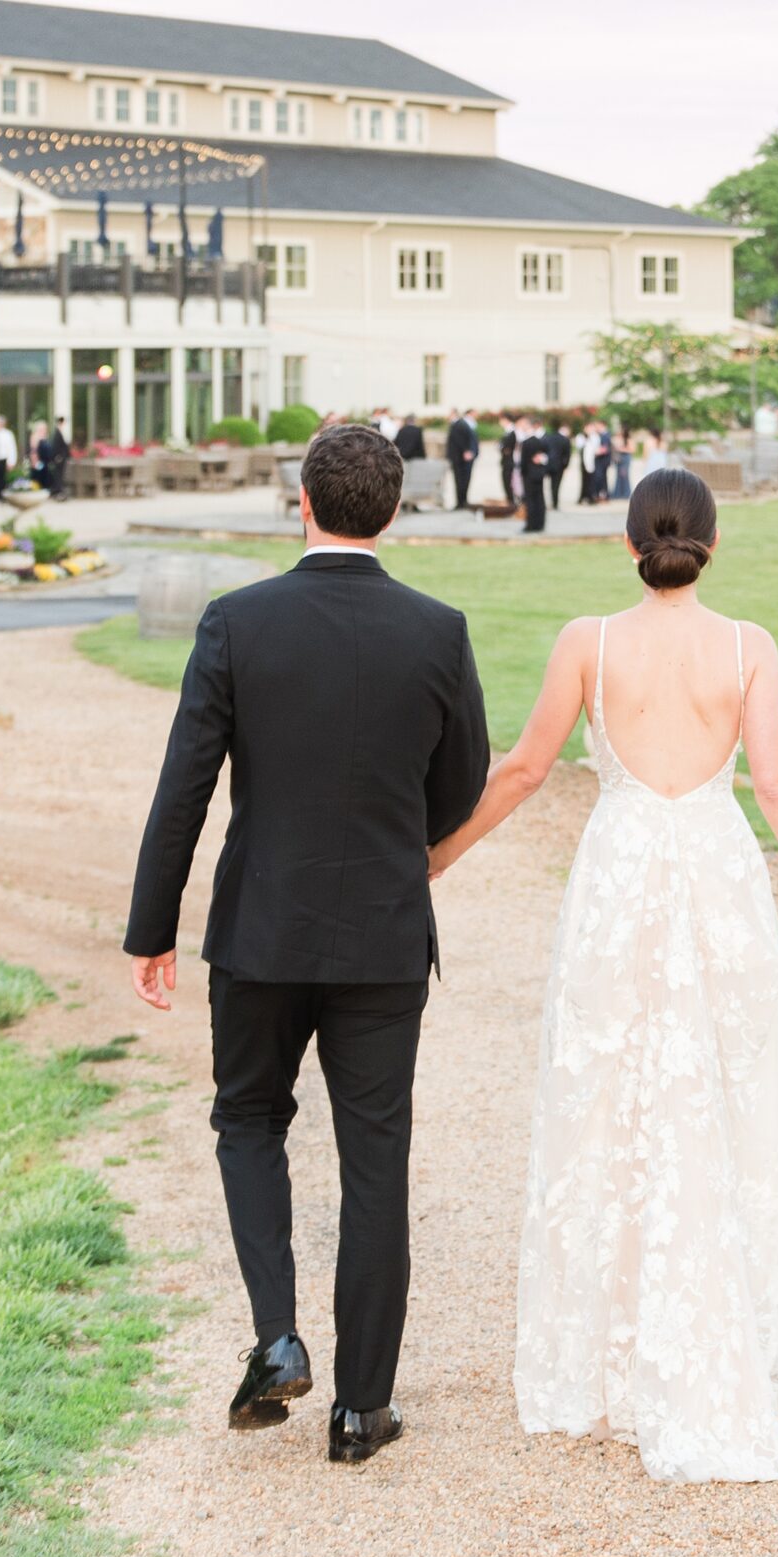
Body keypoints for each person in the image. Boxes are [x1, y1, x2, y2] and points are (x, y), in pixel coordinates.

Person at [429, 468, 778, 1483]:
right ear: (712, 546)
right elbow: (775, 783)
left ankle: (608, 1351)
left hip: (618, 873)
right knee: (728, 1091)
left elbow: (524, 769)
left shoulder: (590, 640)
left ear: (626, 543)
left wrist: (437, 855)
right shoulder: (749, 646)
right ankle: (725, 1335)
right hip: (715, 869)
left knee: (605, 1096)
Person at [125, 425, 489, 1465]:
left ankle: (278, 1336)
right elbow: (459, 783)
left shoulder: (238, 622)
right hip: (380, 934)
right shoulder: (436, 629)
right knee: (376, 1159)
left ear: (302, 503)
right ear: (395, 507)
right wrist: (395, 838)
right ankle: (361, 1409)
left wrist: (153, 926)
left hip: (258, 931)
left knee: (247, 1117)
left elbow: (184, 786)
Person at [514, 414, 550, 535]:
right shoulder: (540, 441)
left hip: (529, 475)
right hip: (538, 474)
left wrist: (522, 472)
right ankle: (540, 523)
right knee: (539, 499)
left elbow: (523, 462)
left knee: (530, 500)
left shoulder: (527, 443)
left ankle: (531, 524)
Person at [445, 408, 480, 510]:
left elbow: (462, 440)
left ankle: (461, 502)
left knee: (461, 480)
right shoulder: (460, 424)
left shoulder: (459, 425)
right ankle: (462, 501)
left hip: (460, 458)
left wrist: (467, 451)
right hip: (459, 458)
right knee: (461, 480)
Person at [543, 419, 572, 509]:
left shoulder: (547, 437)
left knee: (544, 485)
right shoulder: (565, 440)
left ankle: (544, 502)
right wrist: (565, 466)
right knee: (556, 486)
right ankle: (555, 503)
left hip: (547, 464)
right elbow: (567, 455)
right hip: (559, 466)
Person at [46, 415, 72, 499]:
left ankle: (57, 491)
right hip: (59, 459)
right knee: (58, 475)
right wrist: (58, 456)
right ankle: (57, 492)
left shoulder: (59, 432)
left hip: (61, 458)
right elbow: (56, 446)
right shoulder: (57, 433)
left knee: (59, 475)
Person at [497, 414, 519, 511]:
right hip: (505, 461)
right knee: (506, 482)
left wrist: (502, 448)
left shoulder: (512, 432)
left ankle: (512, 503)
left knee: (509, 483)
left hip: (509, 462)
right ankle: (510, 501)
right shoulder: (508, 432)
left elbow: (507, 449)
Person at [609, 422, 633, 501]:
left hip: (625, 458)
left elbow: (632, 449)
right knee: (618, 476)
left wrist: (620, 449)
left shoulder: (629, 439)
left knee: (624, 475)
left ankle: (626, 493)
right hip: (619, 458)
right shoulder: (618, 438)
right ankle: (618, 493)